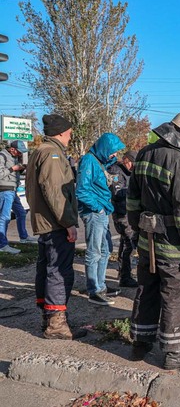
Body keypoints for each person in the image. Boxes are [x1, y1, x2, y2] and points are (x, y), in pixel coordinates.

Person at [127, 110, 180, 370]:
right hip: (172, 246)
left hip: (146, 240)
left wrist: (136, 229)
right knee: (175, 296)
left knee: (146, 289)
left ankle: (140, 343)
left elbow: (132, 199)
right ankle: (174, 353)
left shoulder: (144, 154)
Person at [26, 114, 86, 339]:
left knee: (47, 269)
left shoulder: (39, 151)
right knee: (59, 271)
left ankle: (49, 318)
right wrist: (68, 222)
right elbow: (54, 192)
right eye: (69, 132)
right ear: (61, 132)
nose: (71, 136)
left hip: (47, 222)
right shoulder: (52, 153)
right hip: (55, 224)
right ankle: (56, 324)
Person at [76, 133, 125, 306]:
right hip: (94, 212)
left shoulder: (98, 161)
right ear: (105, 148)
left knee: (105, 250)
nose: (114, 154)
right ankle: (93, 290)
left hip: (101, 212)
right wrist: (98, 207)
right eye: (113, 151)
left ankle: (100, 285)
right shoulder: (89, 161)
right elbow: (82, 190)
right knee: (94, 251)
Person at [108, 149, 139, 288]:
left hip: (127, 212)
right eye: (132, 163)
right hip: (121, 213)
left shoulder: (130, 172)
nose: (133, 167)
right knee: (129, 242)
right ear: (127, 160)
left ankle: (123, 273)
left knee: (126, 242)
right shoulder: (116, 171)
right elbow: (117, 192)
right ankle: (125, 276)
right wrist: (134, 193)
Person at [1, 141, 34, 254]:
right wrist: (13, 168)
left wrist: (21, 169)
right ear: (12, 149)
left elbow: (14, 174)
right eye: (19, 152)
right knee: (5, 217)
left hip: (13, 190)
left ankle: (24, 237)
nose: (20, 154)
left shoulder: (13, 157)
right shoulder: (2, 156)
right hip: (5, 190)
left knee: (21, 213)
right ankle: (2, 245)